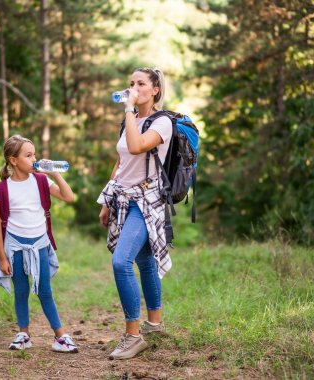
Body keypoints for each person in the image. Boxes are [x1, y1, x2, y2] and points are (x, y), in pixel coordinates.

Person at [97, 68, 173, 360]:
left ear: (155, 90)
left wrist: (129, 109)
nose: (133, 88)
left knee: (121, 262)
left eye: (141, 83)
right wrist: (107, 201)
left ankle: (133, 336)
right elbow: (121, 162)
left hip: (147, 201)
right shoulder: (129, 120)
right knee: (143, 259)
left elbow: (137, 145)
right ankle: (155, 324)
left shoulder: (163, 122)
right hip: (124, 199)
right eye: (131, 83)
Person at [0, 135, 78, 353]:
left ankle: (60, 337)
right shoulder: (3, 189)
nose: (34, 159)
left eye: (34, 154)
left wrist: (55, 174)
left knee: (44, 291)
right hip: (15, 246)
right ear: (13, 160)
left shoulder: (41, 181)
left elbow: (69, 197)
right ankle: (24, 334)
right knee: (20, 290)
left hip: (39, 244)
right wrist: (2, 257)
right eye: (28, 155)